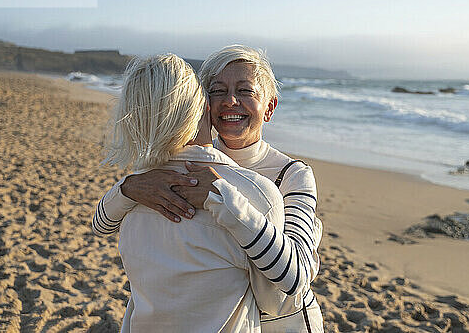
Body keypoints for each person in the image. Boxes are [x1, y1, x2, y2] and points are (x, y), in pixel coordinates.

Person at [94, 45, 324, 332]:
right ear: (202, 104)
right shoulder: (175, 171)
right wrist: (128, 187)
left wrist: (225, 202)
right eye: (217, 91)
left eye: (245, 91)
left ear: (269, 108)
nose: (230, 100)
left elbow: (294, 279)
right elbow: (101, 224)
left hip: (284, 324)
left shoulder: (290, 175)